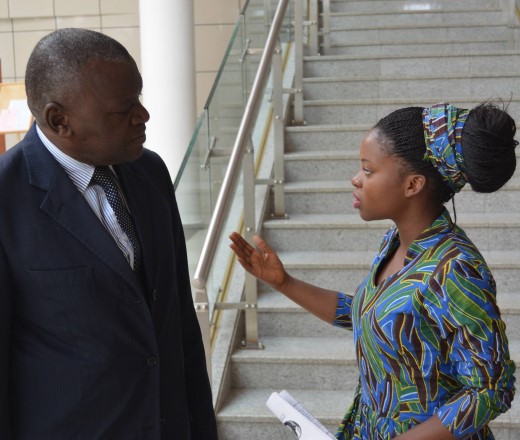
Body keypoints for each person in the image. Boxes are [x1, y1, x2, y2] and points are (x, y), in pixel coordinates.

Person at [230, 102, 517, 439]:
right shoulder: (393, 242)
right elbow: (370, 316)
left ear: (412, 185)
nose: (356, 179)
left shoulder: (456, 269)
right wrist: (284, 282)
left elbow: (490, 389)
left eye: (368, 170)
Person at [0, 28, 218, 439]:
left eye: (138, 97)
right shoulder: (7, 200)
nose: (143, 115)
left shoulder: (150, 172)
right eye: (123, 110)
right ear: (58, 120)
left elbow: (180, 328)